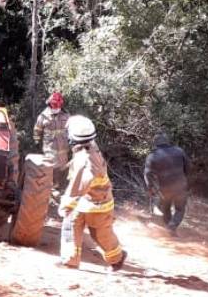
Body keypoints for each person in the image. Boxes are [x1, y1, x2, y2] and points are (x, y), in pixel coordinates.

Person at [58, 115, 127, 271]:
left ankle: (118, 258)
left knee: (100, 235)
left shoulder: (85, 158)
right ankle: (70, 260)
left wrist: (67, 203)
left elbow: (81, 183)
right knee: (71, 226)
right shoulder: (88, 148)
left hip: (97, 204)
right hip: (87, 201)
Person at [144, 132, 189, 235]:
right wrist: (185, 180)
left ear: (155, 144)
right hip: (180, 186)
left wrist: (150, 188)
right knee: (180, 209)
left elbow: (147, 174)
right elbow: (188, 168)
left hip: (165, 187)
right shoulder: (179, 151)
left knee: (166, 208)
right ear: (167, 141)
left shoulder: (152, 156)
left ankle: (170, 226)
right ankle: (172, 226)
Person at [33, 92, 70, 189]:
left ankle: (60, 188)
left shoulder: (66, 115)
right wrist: (37, 141)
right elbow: (37, 129)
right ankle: (50, 189)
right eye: (54, 106)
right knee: (51, 168)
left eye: (57, 106)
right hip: (50, 148)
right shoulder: (43, 116)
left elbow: (70, 129)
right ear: (49, 104)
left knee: (63, 168)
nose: (56, 108)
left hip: (63, 149)